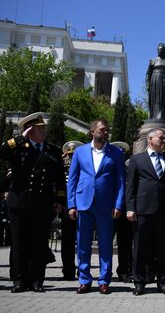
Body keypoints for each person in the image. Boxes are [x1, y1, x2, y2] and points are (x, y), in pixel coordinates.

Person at [0, 112, 66, 293]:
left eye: (44, 128)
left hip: (42, 204)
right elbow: (2, 152)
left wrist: (60, 200)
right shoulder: (19, 147)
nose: (44, 131)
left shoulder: (52, 150)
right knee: (19, 243)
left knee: (38, 243)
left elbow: (60, 178)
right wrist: (20, 138)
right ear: (30, 130)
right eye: (39, 128)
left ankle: (37, 280)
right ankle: (19, 280)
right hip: (20, 203)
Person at [67, 120, 126, 295]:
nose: (105, 132)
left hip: (106, 205)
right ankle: (84, 280)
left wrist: (118, 204)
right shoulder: (80, 152)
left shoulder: (115, 153)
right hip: (84, 203)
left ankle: (104, 280)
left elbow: (120, 182)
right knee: (83, 244)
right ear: (92, 131)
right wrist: (71, 204)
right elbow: (73, 179)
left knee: (106, 244)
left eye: (107, 130)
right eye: (102, 130)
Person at [126, 128, 165, 296]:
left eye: (164, 138)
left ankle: (163, 283)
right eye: (160, 138)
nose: (163, 141)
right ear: (150, 139)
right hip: (143, 210)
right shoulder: (137, 159)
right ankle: (139, 282)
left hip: (163, 212)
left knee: (163, 249)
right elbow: (131, 187)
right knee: (140, 248)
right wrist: (130, 208)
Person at [111, 141, 134, 283]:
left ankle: (124, 270)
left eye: (123, 154)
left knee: (125, 243)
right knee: (105, 242)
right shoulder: (108, 167)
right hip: (108, 209)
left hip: (124, 210)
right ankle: (104, 271)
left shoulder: (129, 168)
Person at [60, 141, 83, 281]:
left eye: (74, 155)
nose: (71, 158)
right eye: (69, 155)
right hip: (66, 208)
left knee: (82, 240)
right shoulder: (62, 167)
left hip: (82, 206)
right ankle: (68, 270)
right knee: (67, 241)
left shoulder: (84, 166)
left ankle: (82, 269)